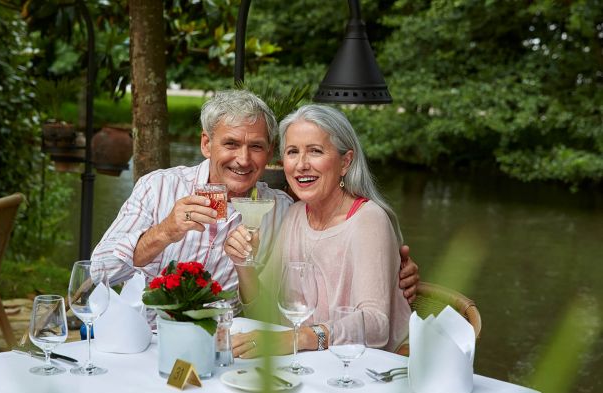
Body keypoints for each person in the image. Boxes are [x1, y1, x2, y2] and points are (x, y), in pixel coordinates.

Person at [92, 90, 419, 324]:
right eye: (231, 144)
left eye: (256, 147)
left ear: (270, 154)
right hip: (139, 341)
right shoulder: (158, 187)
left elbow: (275, 302)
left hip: (221, 351)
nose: (243, 160)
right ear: (207, 144)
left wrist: (391, 270)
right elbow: (100, 272)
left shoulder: (279, 210)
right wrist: (164, 232)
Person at [225, 104, 411, 358]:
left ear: (345, 162)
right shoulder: (295, 215)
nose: (301, 164)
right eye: (292, 152)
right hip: (310, 365)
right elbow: (263, 312)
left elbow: (376, 325)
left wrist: (298, 338)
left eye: (315, 151)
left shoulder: (368, 219)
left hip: (363, 372)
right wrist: (244, 264)